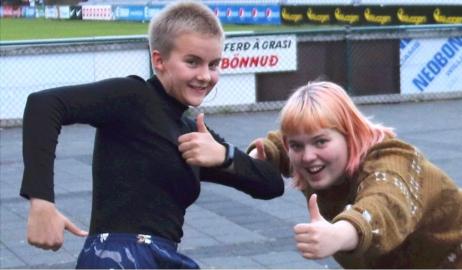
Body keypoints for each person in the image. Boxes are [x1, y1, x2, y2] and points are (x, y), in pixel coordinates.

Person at [20, 1, 284, 269]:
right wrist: (41, 202)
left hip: (162, 259)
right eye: (192, 62)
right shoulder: (133, 97)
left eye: (214, 64)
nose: (205, 76)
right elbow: (44, 105)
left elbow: (271, 185)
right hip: (117, 260)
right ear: (159, 60)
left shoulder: (192, 132)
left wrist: (226, 157)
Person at [248, 81, 462, 268]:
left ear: (350, 135)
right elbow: (281, 141)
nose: (307, 157)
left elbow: (384, 204)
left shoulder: (392, 161)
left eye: (320, 141)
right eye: (297, 146)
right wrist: (257, 157)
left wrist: (339, 234)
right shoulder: (315, 157)